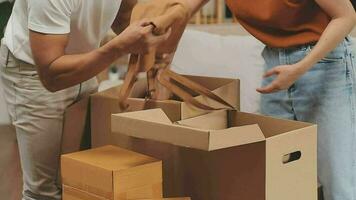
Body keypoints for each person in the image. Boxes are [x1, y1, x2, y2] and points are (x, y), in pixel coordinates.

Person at [0, 0, 174, 199]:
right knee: (45, 192)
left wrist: (149, 41)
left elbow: (123, 13)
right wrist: (119, 47)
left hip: (82, 58)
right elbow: (51, 76)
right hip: (35, 72)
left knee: (82, 173)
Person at [186, 0, 356, 200]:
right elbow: (185, 8)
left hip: (322, 61)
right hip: (274, 64)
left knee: (337, 182)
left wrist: (301, 67)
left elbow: (346, 16)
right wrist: (160, 23)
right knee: (279, 177)